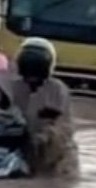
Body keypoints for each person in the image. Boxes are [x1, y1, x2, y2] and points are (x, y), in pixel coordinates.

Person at [10, 38, 79, 179]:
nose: (32, 81)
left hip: (55, 155)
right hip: (15, 150)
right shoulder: (10, 86)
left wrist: (43, 137)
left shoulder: (57, 89)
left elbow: (64, 126)